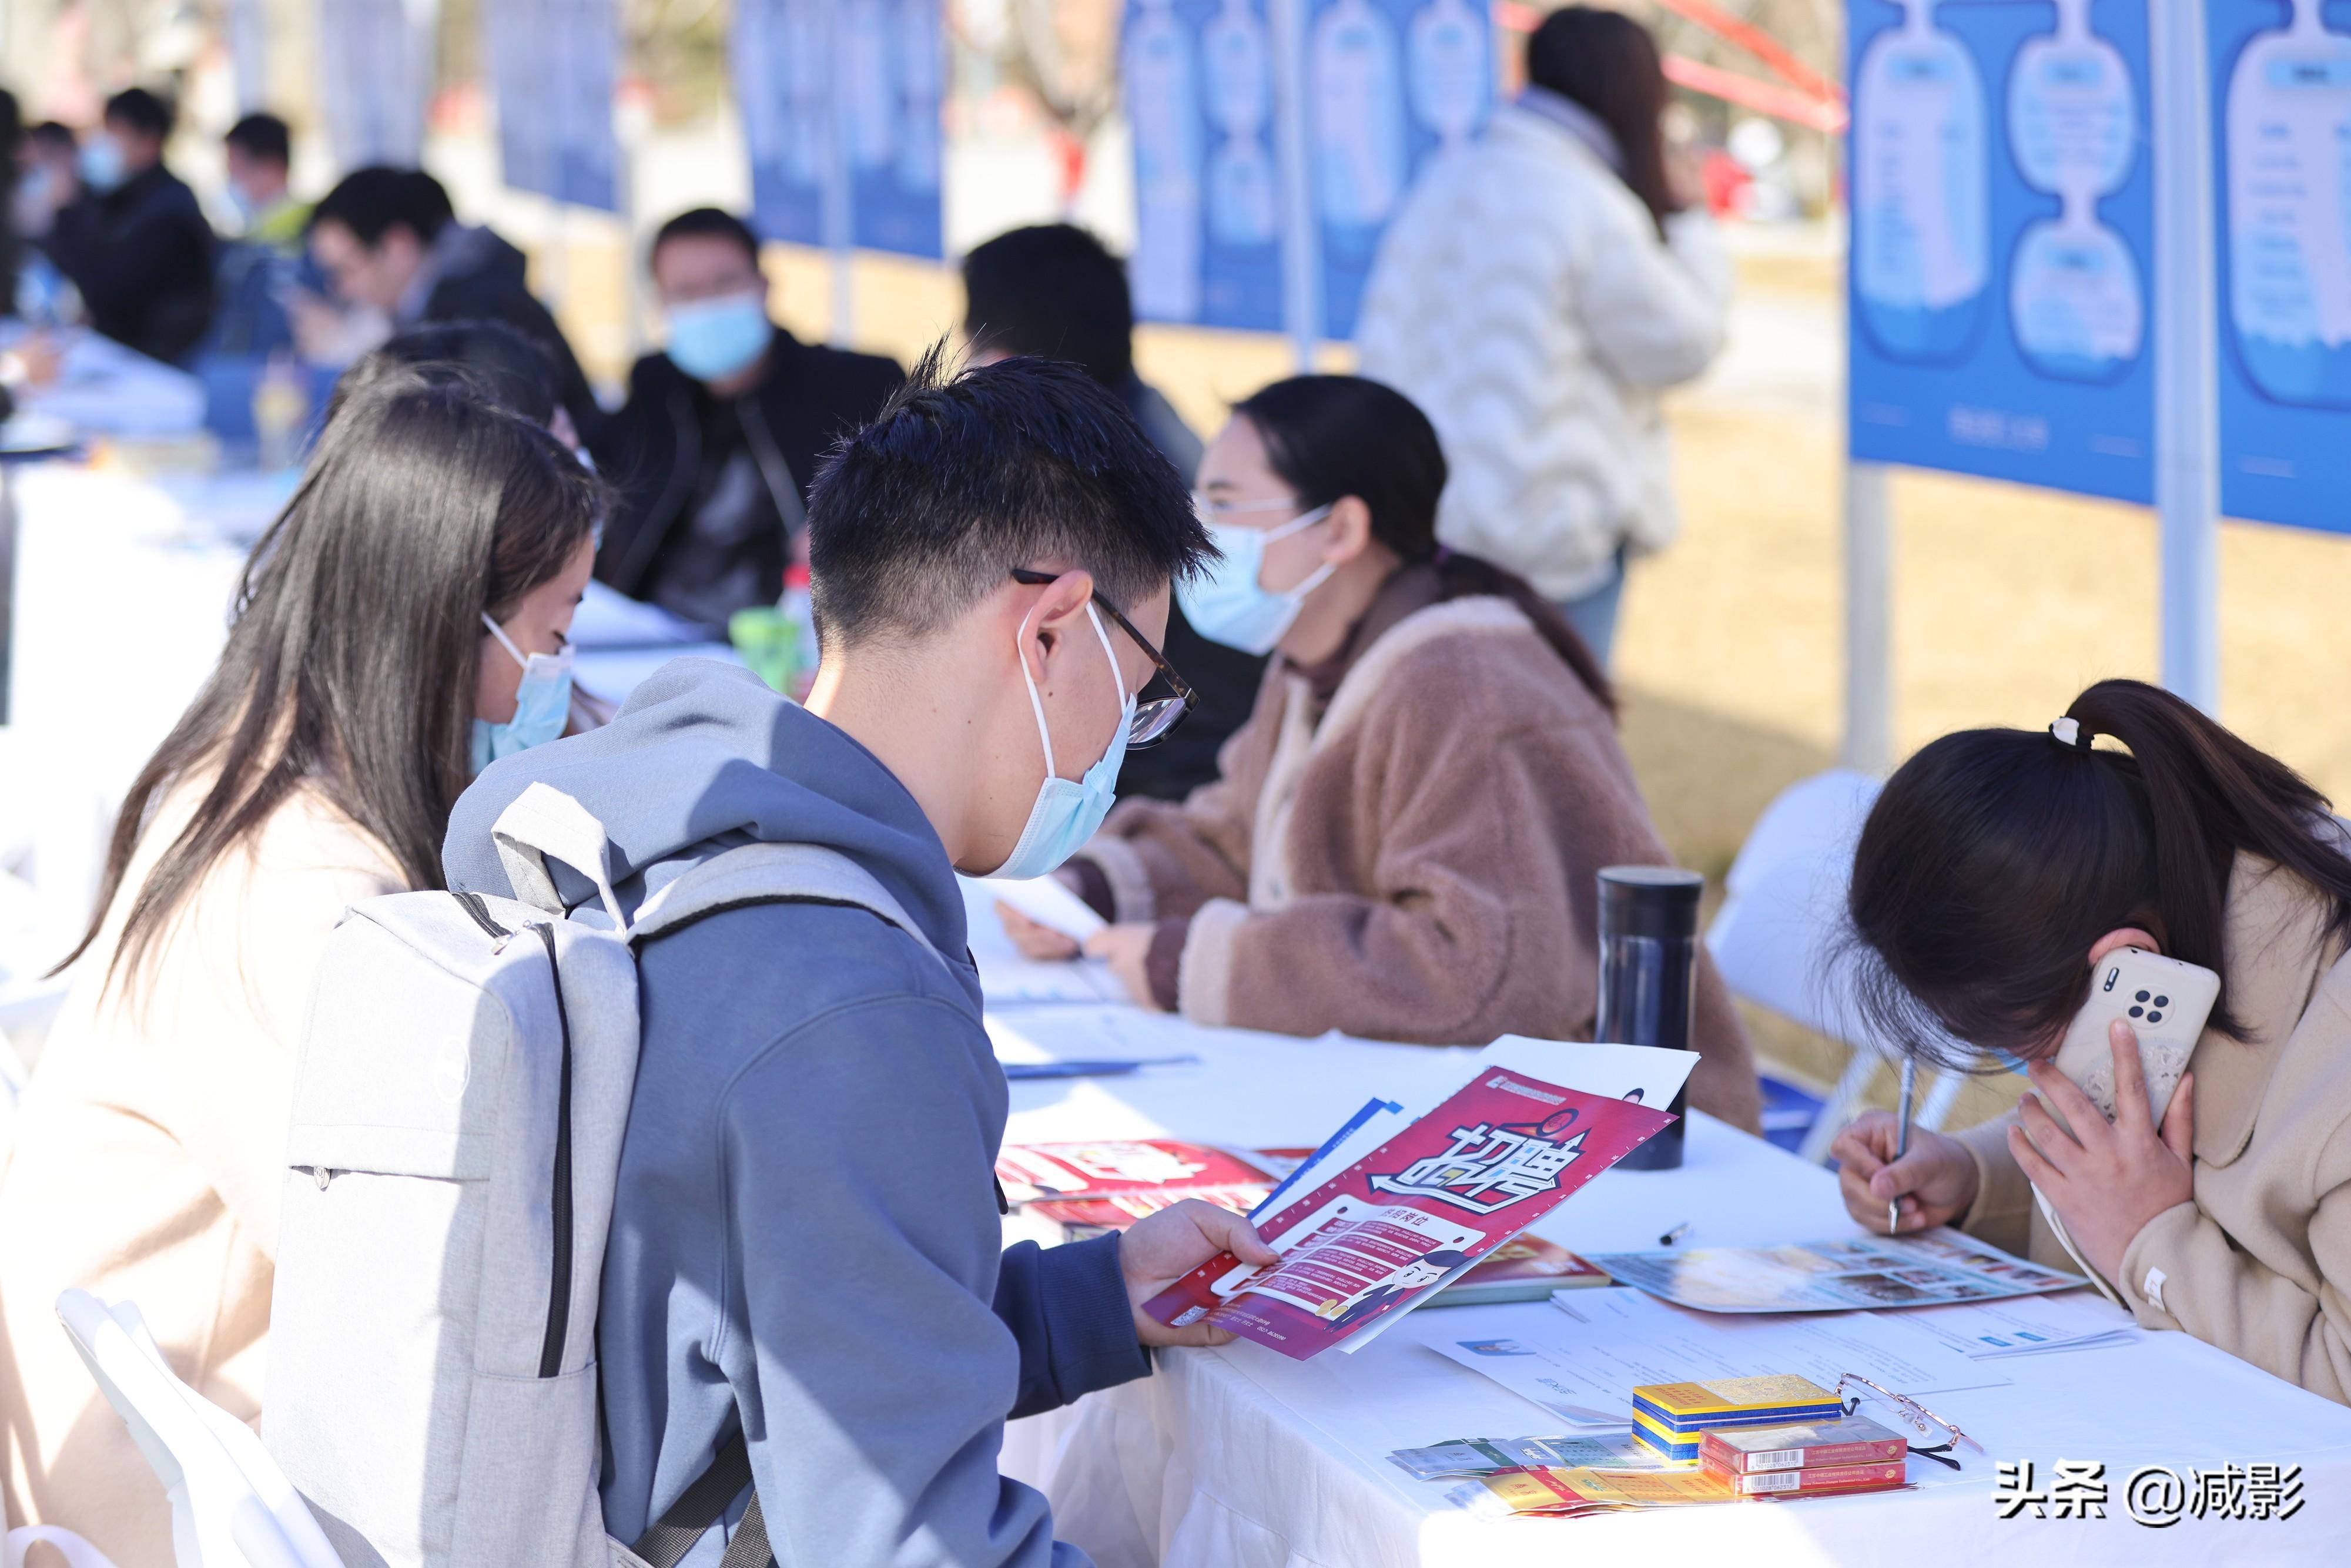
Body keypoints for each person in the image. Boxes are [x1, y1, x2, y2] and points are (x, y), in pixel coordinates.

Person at [444, 352, 1276, 1563]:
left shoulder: (651, 833)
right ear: (1048, 632)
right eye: (1137, 691)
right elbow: (905, 1543)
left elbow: (779, 1314)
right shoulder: (851, 1000)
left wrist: (1089, 1299)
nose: (1117, 750)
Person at [0, 376, 602, 1563]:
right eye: (556, 631)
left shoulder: (257, 779)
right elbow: (413, 1267)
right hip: (195, 1487)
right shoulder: (307, 894)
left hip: (175, 1422)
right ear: (442, 624)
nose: (563, 679)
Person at [1001, 375, 1762, 1133]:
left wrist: (1193, 963)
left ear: (1341, 531)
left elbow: (1480, 972)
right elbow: (1237, 838)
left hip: (1603, 1139)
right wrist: (1096, 891)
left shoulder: (1463, 681)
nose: (1198, 533)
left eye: (1227, 507)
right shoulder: (1324, 658)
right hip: (1438, 1101)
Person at [1829, 679, 2351, 1403]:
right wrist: (1972, 1178)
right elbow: (2137, 1154)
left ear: (2121, 963)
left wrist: (2152, 1239)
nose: (2036, 1072)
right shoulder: (2186, 904)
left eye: (2023, 1044)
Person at [1355, 6, 1730, 666]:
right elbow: (1684, 345)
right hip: (1548, 539)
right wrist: (1694, 220)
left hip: (1422, 526)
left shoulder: (1449, 175)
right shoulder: (1587, 202)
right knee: (1554, 739)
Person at [962, 222, 1266, 802]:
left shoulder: (1049, 471)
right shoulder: (1149, 418)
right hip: (1213, 759)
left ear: (999, 354)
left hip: (1145, 785)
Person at [589, 207, 902, 630]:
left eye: (725, 283)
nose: (707, 304)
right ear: (661, 303)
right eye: (685, 291)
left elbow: (913, 506)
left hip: (799, 641)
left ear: (763, 285)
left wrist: (848, 533)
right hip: (656, 635)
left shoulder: (856, 387)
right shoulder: (653, 390)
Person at [300, 165, 599, 438]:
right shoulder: (438, 305)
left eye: (345, 270)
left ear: (398, 247)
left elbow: (491, 449)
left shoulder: (483, 314)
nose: (340, 289)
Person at [40, 87, 215, 364]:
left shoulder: (170, 210)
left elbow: (109, 295)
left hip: (160, 364)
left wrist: (67, 213)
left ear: (149, 141)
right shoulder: (118, 198)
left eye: (114, 132)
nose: (103, 144)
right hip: (127, 355)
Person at [222, 113, 307, 251]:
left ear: (271, 168)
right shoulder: (257, 231)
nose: (232, 182)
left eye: (237, 171)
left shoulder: (301, 233)